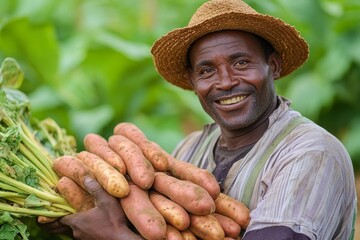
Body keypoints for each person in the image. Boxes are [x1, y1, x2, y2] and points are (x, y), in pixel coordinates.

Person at [41, 0, 357, 239]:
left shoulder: (312, 154)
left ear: (272, 66)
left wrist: (115, 235)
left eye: (241, 62)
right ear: (193, 82)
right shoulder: (190, 148)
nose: (225, 82)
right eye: (207, 70)